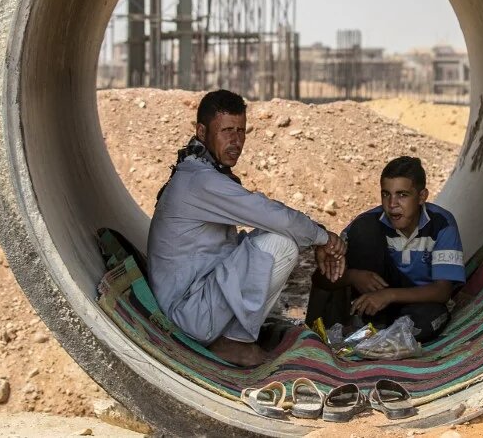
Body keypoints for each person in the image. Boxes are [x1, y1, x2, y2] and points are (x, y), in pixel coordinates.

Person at [148, 89, 347, 367]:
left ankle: (233, 336)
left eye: (241, 131)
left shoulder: (200, 171)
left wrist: (315, 238)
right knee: (281, 242)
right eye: (227, 130)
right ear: (202, 131)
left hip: (197, 300)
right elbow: (278, 218)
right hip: (189, 314)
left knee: (271, 239)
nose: (236, 141)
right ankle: (235, 342)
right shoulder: (201, 181)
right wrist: (324, 238)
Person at [305, 156, 465, 342]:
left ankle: (379, 338)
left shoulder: (441, 224)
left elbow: (442, 291)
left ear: (422, 197)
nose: (392, 204)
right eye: (386, 194)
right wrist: (353, 276)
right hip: (370, 308)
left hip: (418, 304)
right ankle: (365, 329)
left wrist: (389, 295)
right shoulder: (366, 224)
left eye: (402, 195)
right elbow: (319, 279)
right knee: (365, 230)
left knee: (424, 323)